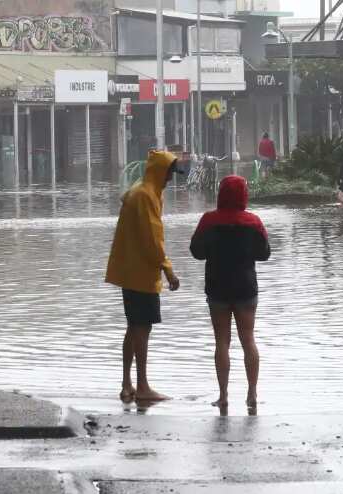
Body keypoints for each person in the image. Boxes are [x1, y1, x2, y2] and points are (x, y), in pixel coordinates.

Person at [106, 149, 182, 403]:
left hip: (131, 271)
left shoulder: (139, 191)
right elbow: (153, 240)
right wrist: (168, 269)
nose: (171, 179)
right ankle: (142, 386)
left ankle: (128, 383)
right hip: (141, 274)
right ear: (160, 172)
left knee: (133, 327)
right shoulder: (146, 196)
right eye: (170, 173)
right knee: (142, 329)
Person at [190, 176, 271, 410]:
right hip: (246, 288)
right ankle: (252, 393)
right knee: (248, 340)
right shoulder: (253, 222)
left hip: (218, 288)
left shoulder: (208, 221)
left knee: (221, 342)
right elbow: (264, 254)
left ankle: (224, 395)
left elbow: (196, 251)